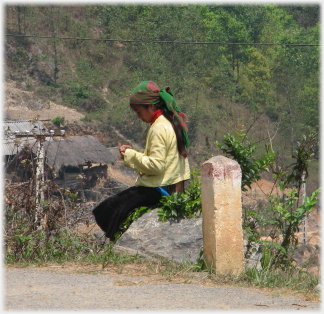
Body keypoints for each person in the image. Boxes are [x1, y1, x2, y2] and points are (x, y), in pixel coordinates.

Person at [92, 80, 190, 241]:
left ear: (150, 106)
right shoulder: (168, 122)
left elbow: (156, 166)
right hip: (172, 183)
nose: (139, 116)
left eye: (139, 112)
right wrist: (134, 154)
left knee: (108, 209)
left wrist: (130, 155)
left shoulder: (159, 128)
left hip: (160, 188)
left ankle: (119, 246)